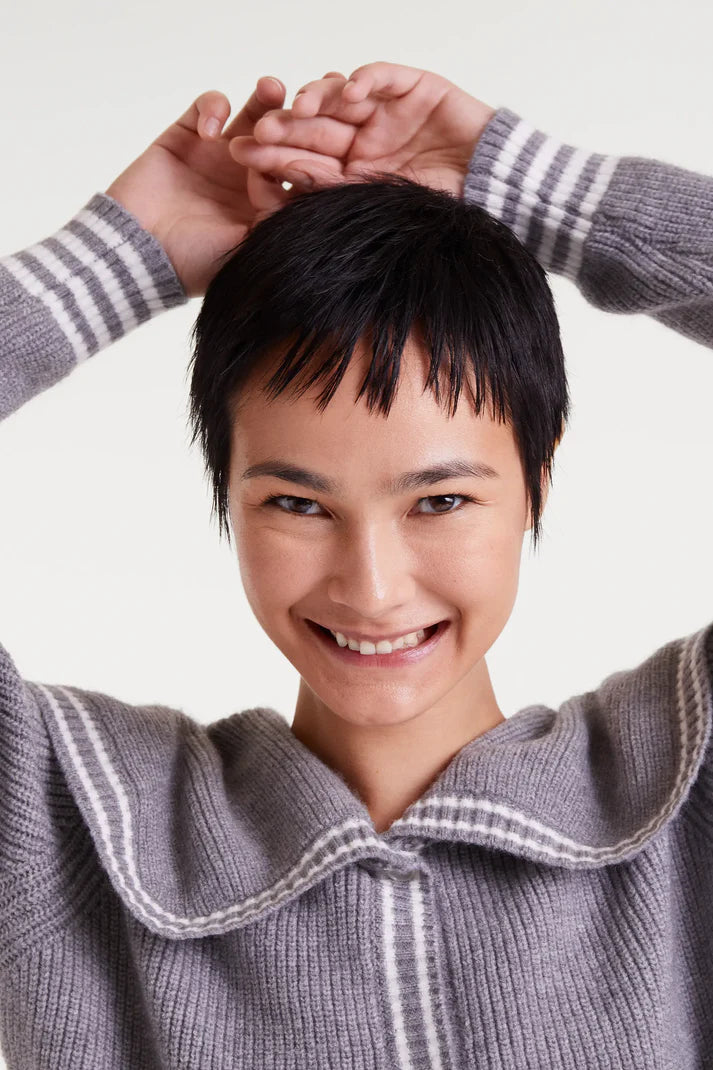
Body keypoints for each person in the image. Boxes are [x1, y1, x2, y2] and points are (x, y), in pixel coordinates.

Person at [0, 61, 711, 1070]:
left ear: (535, 485)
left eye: (439, 500)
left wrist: (535, 189)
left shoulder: (679, 788)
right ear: (224, 492)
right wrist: (115, 261)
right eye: (296, 502)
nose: (370, 586)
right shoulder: (64, 823)